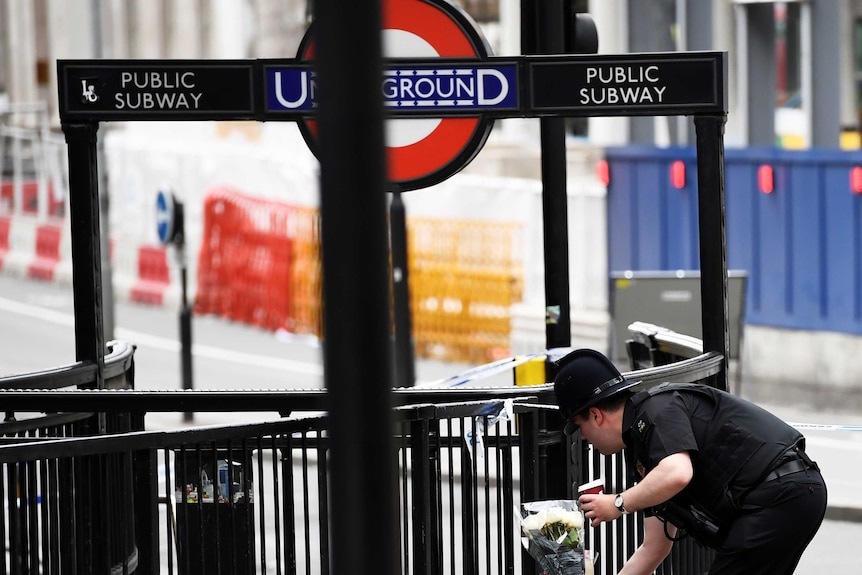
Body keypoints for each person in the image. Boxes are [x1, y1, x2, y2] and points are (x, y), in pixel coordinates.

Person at [553, 348, 827, 575]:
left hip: (779, 494)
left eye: (579, 427)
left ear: (596, 415)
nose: (584, 438)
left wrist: (617, 504)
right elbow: (654, 548)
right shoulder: (640, 446)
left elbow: (677, 474)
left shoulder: (657, 409)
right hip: (784, 497)